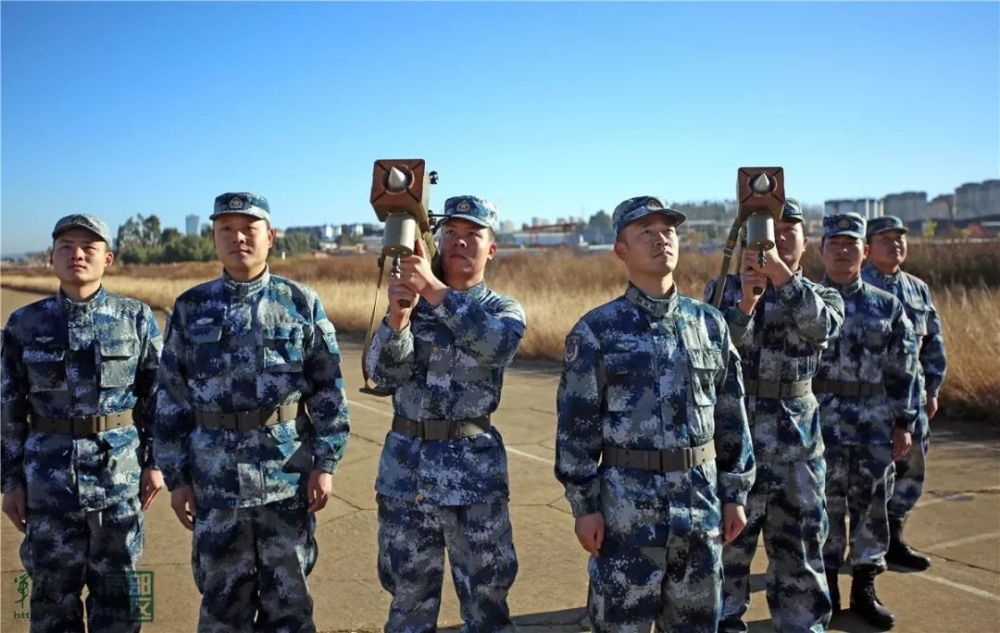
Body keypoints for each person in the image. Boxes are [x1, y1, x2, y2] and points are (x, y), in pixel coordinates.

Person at [556, 195, 755, 632]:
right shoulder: (597, 330)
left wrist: (735, 492)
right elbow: (576, 426)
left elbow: (730, 412)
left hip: (700, 509)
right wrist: (583, 506)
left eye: (667, 231)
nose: (660, 239)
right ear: (621, 250)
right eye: (645, 232)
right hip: (627, 514)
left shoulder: (709, 324)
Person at [154, 192, 350, 632]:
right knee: (222, 605)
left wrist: (326, 463)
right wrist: (177, 478)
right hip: (214, 482)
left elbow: (328, 391)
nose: (238, 237)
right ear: (213, 238)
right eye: (227, 229)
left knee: (291, 605)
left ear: (270, 236)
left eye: (249, 228)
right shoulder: (190, 308)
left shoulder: (300, 303)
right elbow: (171, 400)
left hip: (285, 478)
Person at [365, 195, 525, 632]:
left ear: (491, 248)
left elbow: (497, 346)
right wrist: (398, 316)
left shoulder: (502, 310)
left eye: (473, 234)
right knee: (408, 601)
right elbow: (380, 374)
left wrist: (434, 292)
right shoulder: (412, 304)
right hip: (407, 473)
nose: (460, 242)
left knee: (487, 602)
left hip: (473, 478)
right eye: (450, 232)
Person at [1, 214, 163, 632]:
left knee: (120, 602)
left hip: (117, 483)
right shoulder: (24, 325)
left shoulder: (136, 319)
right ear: (51, 257)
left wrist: (156, 462)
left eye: (88, 247)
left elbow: (160, 398)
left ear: (107, 258)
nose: (77, 254)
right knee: (52, 603)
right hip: (49, 488)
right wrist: (11, 481)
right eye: (66, 246)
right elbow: (9, 407)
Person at [705, 199, 844, 633]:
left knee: (800, 551)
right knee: (728, 551)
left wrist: (780, 275)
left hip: (797, 448)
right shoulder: (722, 289)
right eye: (768, 229)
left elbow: (821, 327)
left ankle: (802, 625)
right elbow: (711, 357)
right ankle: (725, 622)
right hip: (737, 444)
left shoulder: (822, 294)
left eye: (789, 231)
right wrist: (745, 301)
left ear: (805, 241)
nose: (778, 237)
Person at [814, 213, 919, 629]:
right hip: (820, 426)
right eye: (834, 243)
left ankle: (864, 589)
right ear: (821, 251)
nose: (843, 251)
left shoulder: (886, 305)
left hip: (873, 424)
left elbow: (904, 368)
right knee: (823, 510)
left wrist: (903, 422)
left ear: (863, 251)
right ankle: (826, 594)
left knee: (871, 509)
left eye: (851, 244)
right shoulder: (809, 302)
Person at [861, 215, 947, 571]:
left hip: (913, 400)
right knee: (868, 476)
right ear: (868, 247)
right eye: (885, 238)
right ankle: (862, 545)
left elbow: (933, 341)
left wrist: (933, 387)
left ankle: (894, 537)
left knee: (911, 469)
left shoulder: (917, 288)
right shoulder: (855, 283)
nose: (895, 244)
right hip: (870, 400)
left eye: (899, 238)